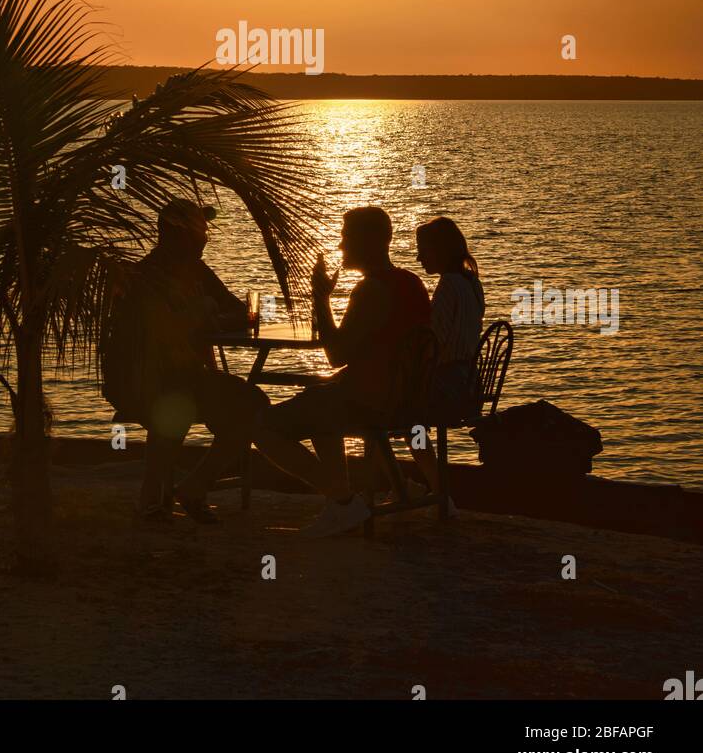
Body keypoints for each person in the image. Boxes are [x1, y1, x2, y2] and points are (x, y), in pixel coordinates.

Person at [254, 206, 432, 538]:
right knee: (320, 402)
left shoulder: (370, 290)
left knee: (262, 427)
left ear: (370, 241)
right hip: (406, 398)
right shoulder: (410, 281)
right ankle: (340, 508)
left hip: (371, 402)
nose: (341, 246)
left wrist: (320, 298)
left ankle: (343, 500)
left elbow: (336, 355)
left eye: (346, 237)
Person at [102, 198, 268, 523]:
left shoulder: (195, 270)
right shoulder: (146, 279)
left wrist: (213, 317)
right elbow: (161, 333)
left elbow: (237, 309)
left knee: (251, 405)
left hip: (181, 378)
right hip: (146, 383)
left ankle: (185, 490)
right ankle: (162, 497)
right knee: (235, 405)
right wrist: (207, 316)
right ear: (180, 235)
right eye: (201, 233)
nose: (206, 239)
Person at [413, 215, 485, 512]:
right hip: (471, 385)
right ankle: (435, 489)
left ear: (440, 250)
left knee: (397, 414)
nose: (418, 257)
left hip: (447, 388)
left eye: (423, 250)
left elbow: (432, 343)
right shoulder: (472, 283)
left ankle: (436, 489)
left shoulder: (447, 287)